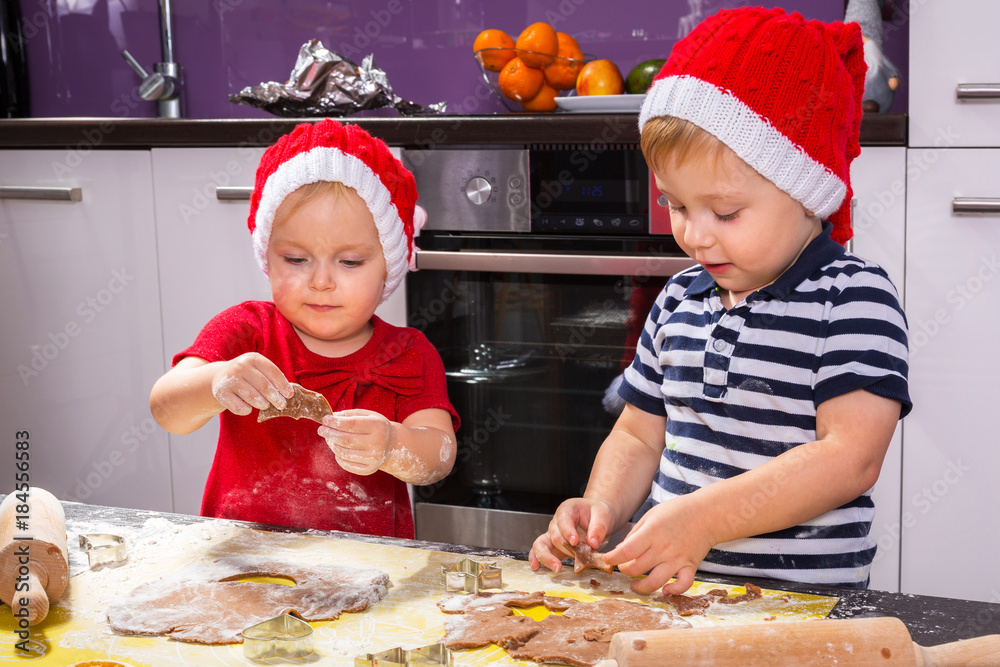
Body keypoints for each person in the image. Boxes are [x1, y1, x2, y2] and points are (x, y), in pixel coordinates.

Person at [530, 7, 910, 594]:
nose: (695, 235)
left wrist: (703, 519)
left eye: (725, 212)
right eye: (677, 206)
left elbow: (850, 458)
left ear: (806, 190)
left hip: (799, 614)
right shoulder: (680, 296)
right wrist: (599, 507)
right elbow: (637, 435)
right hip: (672, 599)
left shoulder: (852, 300)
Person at [150, 119, 459, 539]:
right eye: (296, 259)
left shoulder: (408, 353)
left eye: (349, 262)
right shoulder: (246, 330)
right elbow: (166, 409)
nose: (321, 282)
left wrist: (391, 444)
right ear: (268, 256)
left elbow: (438, 457)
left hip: (369, 566)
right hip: (246, 559)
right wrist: (216, 381)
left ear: (390, 263)